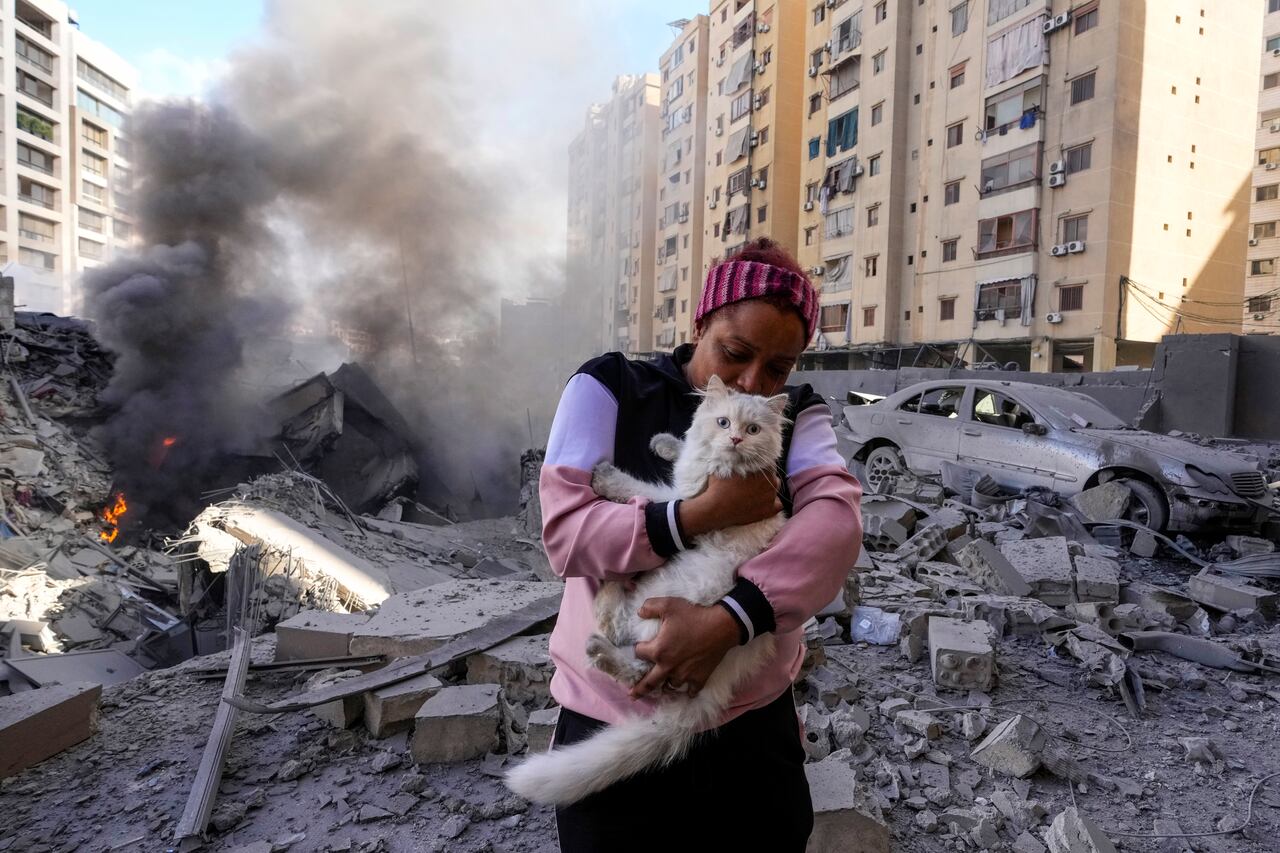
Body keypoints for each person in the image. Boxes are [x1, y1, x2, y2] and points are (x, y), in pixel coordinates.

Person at [538, 237, 863, 851]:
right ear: (703, 321)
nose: (749, 380)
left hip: (748, 728)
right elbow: (565, 533)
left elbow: (836, 524)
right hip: (610, 708)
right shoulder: (609, 386)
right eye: (735, 352)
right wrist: (693, 515)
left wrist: (727, 622)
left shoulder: (793, 416)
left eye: (778, 369)